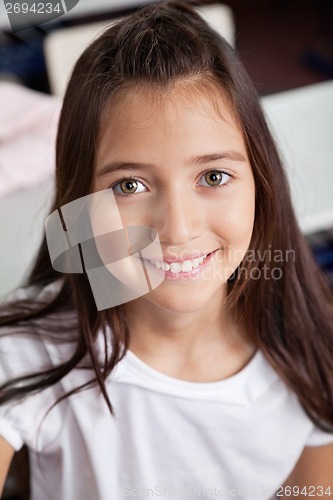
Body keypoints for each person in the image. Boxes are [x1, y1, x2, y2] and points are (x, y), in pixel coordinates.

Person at [1, 1, 333, 498]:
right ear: (80, 201)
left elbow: (306, 491)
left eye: (213, 177)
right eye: (129, 185)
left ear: (261, 184)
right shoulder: (28, 354)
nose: (177, 229)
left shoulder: (313, 346)